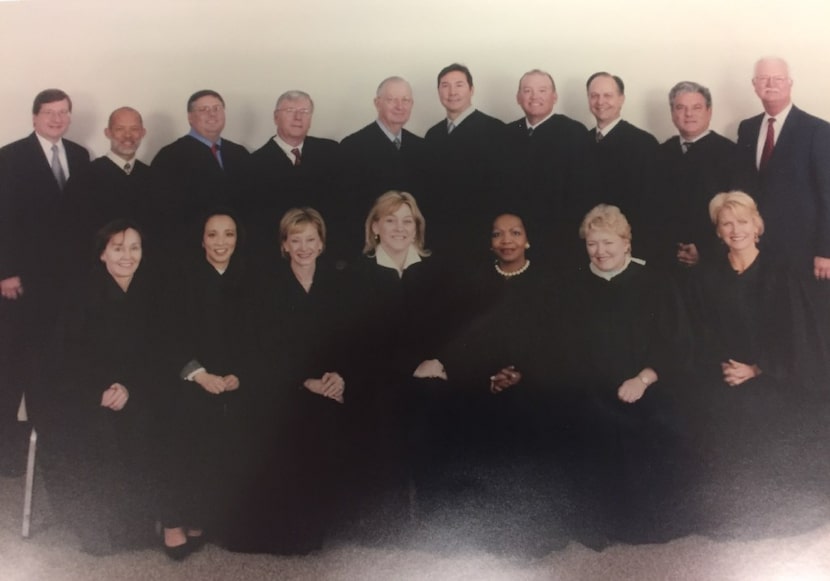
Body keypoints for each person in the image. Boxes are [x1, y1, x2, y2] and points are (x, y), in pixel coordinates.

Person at [688, 191, 819, 535]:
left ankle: (771, 515)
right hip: (725, 372)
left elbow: (793, 334)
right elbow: (703, 330)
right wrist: (726, 367)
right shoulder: (708, 275)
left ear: (757, 226)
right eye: (726, 224)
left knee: (766, 415)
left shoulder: (780, 272)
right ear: (717, 231)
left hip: (775, 374)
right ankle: (732, 515)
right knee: (713, 414)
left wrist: (758, 368)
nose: (735, 230)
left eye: (742, 222)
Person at [564, 204, 692, 546]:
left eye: (607, 242)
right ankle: (599, 523)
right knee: (588, 418)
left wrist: (643, 379)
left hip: (646, 385)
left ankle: (643, 524)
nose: (600, 251)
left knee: (651, 422)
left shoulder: (654, 282)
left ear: (626, 243)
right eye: (592, 244)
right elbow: (565, 347)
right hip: (592, 389)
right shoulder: (575, 285)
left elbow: (674, 344)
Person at [228, 207, 347, 555]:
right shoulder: (268, 287)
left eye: (311, 239)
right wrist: (305, 382)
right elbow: (264, 350)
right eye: (296, 240)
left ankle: (317, 521)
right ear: (285, 245)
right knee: (291, 423)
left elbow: (352, 338)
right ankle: (288, 528)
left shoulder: (338, 283)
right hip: (284, 382)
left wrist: (340, 377)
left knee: (327, 418)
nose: (304, 247)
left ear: (322, 243)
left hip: (332, 381)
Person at [41, 220, 160, 555]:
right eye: (117, 248)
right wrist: (100, 393)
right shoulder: (81, 293)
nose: (127, 256)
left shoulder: (150, 291)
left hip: (133, 388)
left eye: (134, 248)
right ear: (102, 254)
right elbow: (65, 358)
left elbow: (156, 353)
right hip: (81, 390)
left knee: (148, 420)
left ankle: (137, 525)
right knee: (98, 430)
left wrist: (129, 388)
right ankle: (102, 528)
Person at [0, 88, 90, 474]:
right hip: (21, 283)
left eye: (63, 113)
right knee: (14, 367)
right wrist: (4, 271)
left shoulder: (81, 155)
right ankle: (5, 459)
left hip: (65, 283)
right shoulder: (10, 156)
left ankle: (51, 454)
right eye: (49, 113)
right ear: (34, 117)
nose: (57, 119)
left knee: (52, 365)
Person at [159, 210, 251, 559]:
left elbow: (258, 335)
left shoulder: (248, 276)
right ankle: (174, 520)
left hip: (235, 377)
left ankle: (206, 516)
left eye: (228, 234)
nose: (221, 242)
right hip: (189, 377)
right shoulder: (182, 279)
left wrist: (240, 374)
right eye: (213, 235)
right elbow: (169, 337)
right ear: (202, 240)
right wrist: (200, 376)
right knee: (186, 423)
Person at [736, 57, 830, 393]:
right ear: (754, 86)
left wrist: (825, 250)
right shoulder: (747, 128)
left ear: (790, 83)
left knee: (808, 325)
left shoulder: (818, 130)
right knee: (771, 317)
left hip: (806, 252)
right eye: (763, 79)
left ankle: (811, 395)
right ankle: (773, 382)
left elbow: (828, 193)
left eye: (777, 78)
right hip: (762, 249)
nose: (770, 84)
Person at [505, 70, 597, 268]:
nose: (534, 96)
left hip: (560, 242)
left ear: (554, 97)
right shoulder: (507, 134)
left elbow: (583, 195)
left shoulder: (574, 133)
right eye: (527, 91)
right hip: (514, 243)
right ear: (518, 97)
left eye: (542, 90)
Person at [62, 107, 168, 273]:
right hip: (98, 274)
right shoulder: (84, 177)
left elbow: (161, 231)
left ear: (143, 132)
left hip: (146, 273)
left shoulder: (155, 177)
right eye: (120, 129)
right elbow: (74, 234)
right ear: (108, 132)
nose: (128, 136)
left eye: (134, 129)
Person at [243, 91, 344, 263]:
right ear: (276, 117)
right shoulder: (254, 164)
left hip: (327, 257)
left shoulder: (331, 153)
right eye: (290, 111)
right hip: (277, 258)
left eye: (304, 112)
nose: (298, 117)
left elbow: (341, 208)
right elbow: (256, 224)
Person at [340, 76, 432, 257]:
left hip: (414, 251)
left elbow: (427, 205)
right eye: (391, 100)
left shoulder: (422, 148)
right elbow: (347, 211)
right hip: (369, 252)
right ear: (377, 103)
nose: (400, 106)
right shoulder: (353, 147)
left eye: (405, 100)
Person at [424, 64, 509, 260]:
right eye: (445, 86)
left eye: (459, 85)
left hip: (480, 235)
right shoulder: (433, 135)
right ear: (438, 92)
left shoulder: (495, 130)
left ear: (471, 89)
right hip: (439, 236)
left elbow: (502, 190)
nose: (452, 92)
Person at [654, 82, 740, 271]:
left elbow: (738, 214)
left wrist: (707, 251)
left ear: (709, 111)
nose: (689, 114)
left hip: (713, 262)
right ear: (672, 113)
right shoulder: (661, 153)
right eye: (681, 107)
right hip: (666, 261)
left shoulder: (731, 154)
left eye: (696, 107)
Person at [151, 90, 249, 251]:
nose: (212, 114)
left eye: (217, 108)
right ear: (190, 117)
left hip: (237, 250)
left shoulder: (240, 154)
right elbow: (164, 214)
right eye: (203, 110)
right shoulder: (169, 157)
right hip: (190, 249)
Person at [585, 73, 659, 261]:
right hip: (589, 248)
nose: (600, 101)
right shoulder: (581, 141)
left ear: (621, 99)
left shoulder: (643, 143)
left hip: (628, 249)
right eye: (594, 95)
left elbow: (650, 204)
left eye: (608, 95)